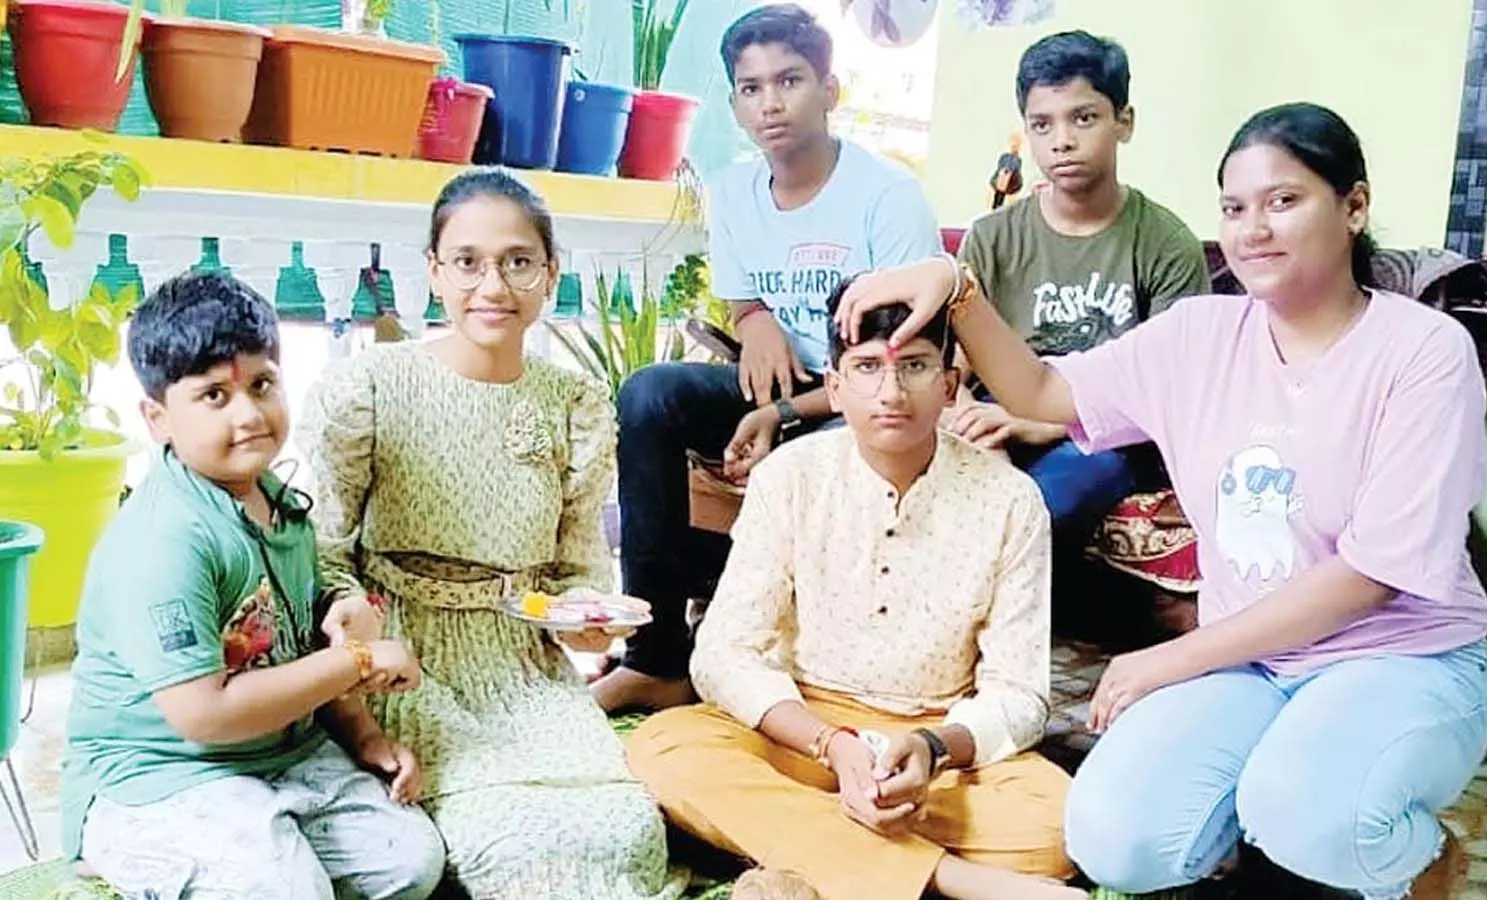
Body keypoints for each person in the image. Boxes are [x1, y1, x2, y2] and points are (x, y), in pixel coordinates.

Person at [833, 102, 1487, 900]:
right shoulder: (1199, 335)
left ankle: (1417, 856)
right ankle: (1287, 808)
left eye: (1284, 201)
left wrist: (1170, 658)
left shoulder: (1423, 352)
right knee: (1115, 840)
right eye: (1235, 207)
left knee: (1312, 816)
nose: (1253, 229)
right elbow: (1044, 391)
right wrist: (958, 290)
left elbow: (1373, 575)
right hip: (1252, 663)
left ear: (1353, 207)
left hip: (1401, 657)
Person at [298, 168, 686, 900]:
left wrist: (586, 619)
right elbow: (324, 548)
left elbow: (577, 566)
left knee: (626, 831)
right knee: (507, 837)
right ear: (434, 273)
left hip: (524, 662)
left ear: (550, 274)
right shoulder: (371, 385)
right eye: (468, 262)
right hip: (407, 656)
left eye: (518, 262)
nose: (494, 286)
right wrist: (354, 630)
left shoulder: (574, 401)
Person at [626, 279, 1081, 900]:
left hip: (934, 745)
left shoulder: (1011, 501)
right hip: (802, 731)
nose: (891, 393)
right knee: (666, 748)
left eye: (915, 366)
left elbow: (1020, 694)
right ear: (834, 389)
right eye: (867, 367)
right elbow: (724, 653)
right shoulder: (790, 476)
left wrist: (928, 748)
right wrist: (832, 745)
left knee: (1053, 825)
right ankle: (955, 880)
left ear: (950, 385)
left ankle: (807, 860)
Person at [594, 2, 944, 713]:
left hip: (870, 397)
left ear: (830, 90)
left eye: (789, 81)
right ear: (734, 104)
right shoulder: (733, 194)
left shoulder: (888, 197)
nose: (770, 103)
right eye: (751, 89)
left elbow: (904, 362)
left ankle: (780, 647)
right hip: (778, 387)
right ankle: (658, 655)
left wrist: (785, 411)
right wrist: (754, 322)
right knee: (648, 395)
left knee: (804, 461)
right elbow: (744, 300)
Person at [59, 271, 444, 899]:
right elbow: (203, 714)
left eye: (263, 384)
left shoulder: (277, 502)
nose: (249, 415)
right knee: (290, 891)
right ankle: (125, 846)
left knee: (409, 862)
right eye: (214, 396)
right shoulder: (165, 541)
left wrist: (365, 734)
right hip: (159, 776)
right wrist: (360, 661)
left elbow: (298, 650)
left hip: (279, 754)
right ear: (157, 419)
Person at [950, 30, 1208, 559]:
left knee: (1041, 504)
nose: (1061, 140)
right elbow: (953, 365)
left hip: (1102, 436)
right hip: (994, 413)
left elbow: (1170, 393)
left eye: (1083, 118)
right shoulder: (993, 237)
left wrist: (1042, 425)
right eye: (1042, 125)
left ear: (1124, 122)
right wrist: (966, 421)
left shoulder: (1165, 243)